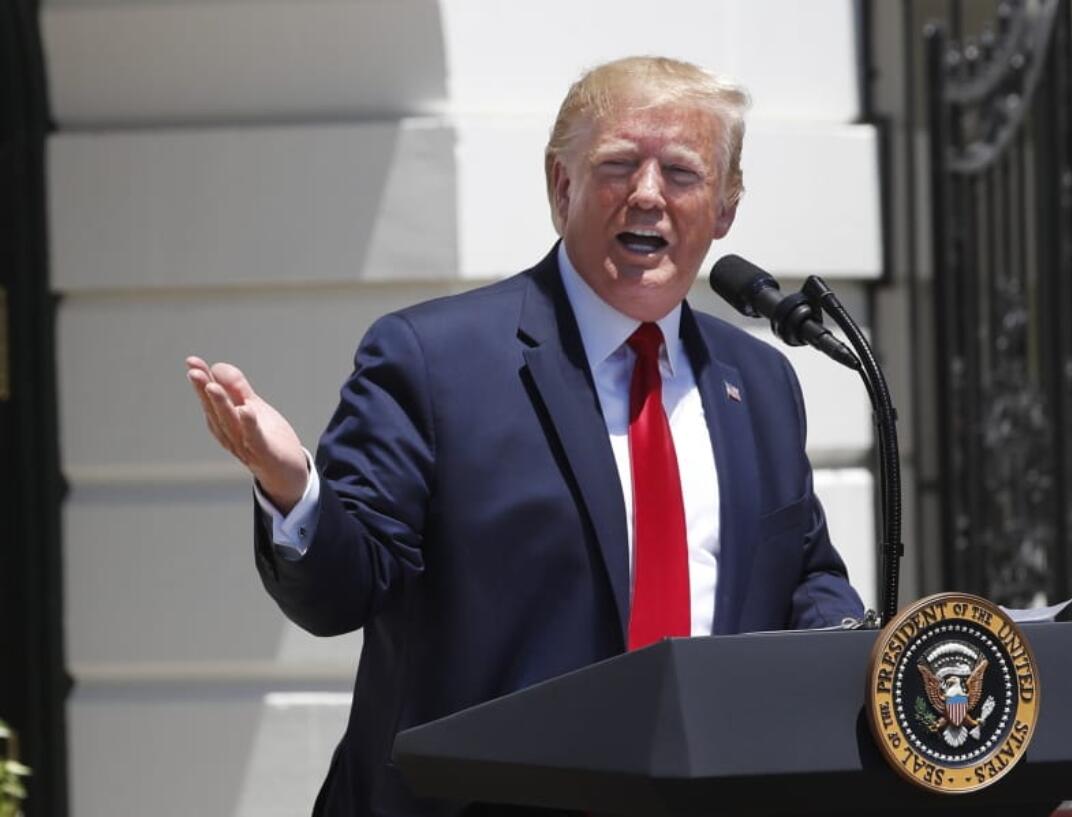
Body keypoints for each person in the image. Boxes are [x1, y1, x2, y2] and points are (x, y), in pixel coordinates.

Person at [186, 56, 863, 817]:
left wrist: (859, 650)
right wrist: (293, 489)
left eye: (681, 171)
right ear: (561, 185)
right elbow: (343, 590)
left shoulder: (759, 383)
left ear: (726, 208)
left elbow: (804, 574)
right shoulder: (435, 361)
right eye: (617, 165)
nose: (647, 193)